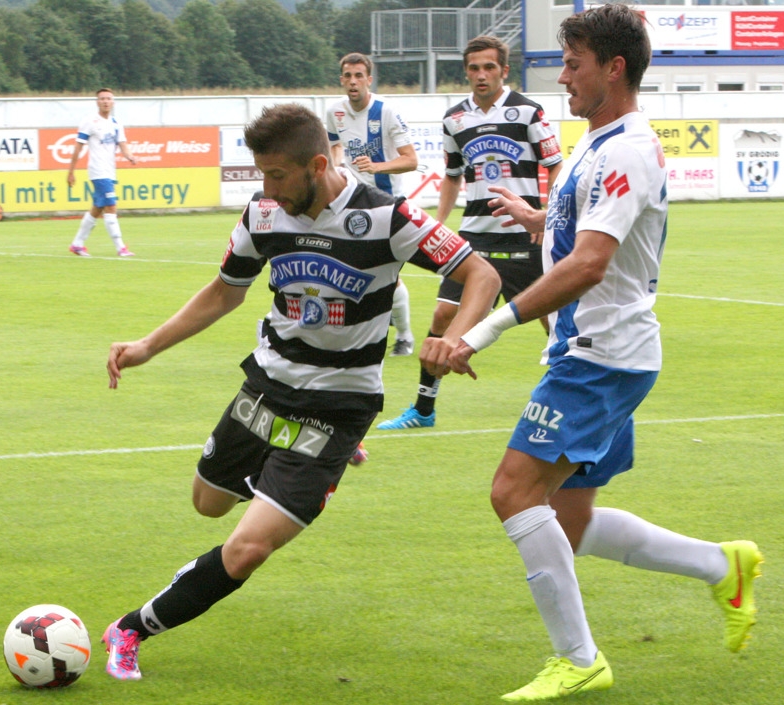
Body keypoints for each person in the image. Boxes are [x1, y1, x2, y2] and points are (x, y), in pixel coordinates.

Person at [100, 103, 501, 681]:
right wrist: (146, 346)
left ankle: (132, 628)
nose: (267, 188)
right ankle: (306, 467)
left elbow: (481, 275)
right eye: (261, 174)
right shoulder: (264, 214)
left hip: (341, 405)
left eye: (277, 175)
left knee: (246, 549)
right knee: (207, 502)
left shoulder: (387, 218)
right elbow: (223, 292)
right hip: (266, 386)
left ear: (318, 163)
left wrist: (457, 338)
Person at [435, 6, 763, 700]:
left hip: (599, 355)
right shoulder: (595, 140)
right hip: (605, 351)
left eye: (574, 63)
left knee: (513, 491)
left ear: (614, 69)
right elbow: (578, 238)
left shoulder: (625, 148)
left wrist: (482, 329)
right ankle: (721, 566)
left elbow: (588, 265)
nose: (563, 77)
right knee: (568, 520)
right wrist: (537, 220)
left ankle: (578, 657)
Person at [376, 35, 563, 432]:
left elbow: (556, 166)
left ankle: (573, 406)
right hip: (474, 238)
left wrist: (545, 215)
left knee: (553, 324)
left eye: (489, 67)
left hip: (522, 237)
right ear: (466, 71)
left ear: (504, 70)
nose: (481, 75)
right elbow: (452, 175)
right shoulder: (454, 119)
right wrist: (439, 223)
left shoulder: (529, 113)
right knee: (444, 315)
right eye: (474, 68)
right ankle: (423, 410)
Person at [326, 52, 419, 358]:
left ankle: (404, 336)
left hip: (385, 204)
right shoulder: (334, 112)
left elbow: (411, 160)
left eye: (358, 76)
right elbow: (334, 145)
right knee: (347, 271)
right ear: (342, 80)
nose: (353, 82)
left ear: (369, 79)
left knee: (387, 274)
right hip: (350, 202)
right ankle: (363, 334)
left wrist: (376, 167)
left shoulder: (386, 112)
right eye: (347, 76)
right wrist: (338, 165)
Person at [67, 88, 137, 257]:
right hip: (98, 171)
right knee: (111, 205)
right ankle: (121, 247)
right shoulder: (90, 122)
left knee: (97, 209)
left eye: (108, 99)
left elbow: (122, 144)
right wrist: (71, 171)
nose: (106, 101)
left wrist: (129, 156)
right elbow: (78, 147)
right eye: (102, 99)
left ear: (113, 102)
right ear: (97, 102)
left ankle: (77, 244)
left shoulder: (116, 123)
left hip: (110, 171)